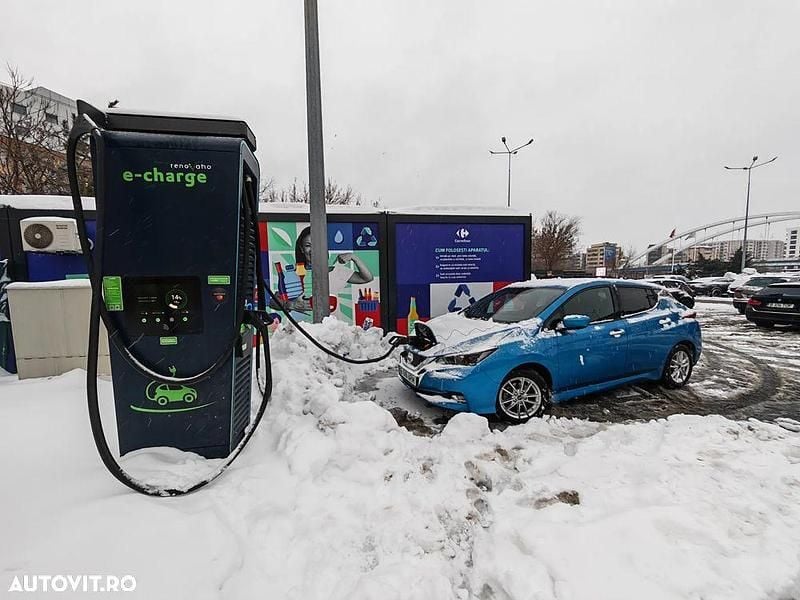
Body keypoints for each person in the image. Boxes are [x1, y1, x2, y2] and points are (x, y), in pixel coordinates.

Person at [294, 226, 373, 285]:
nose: (313, 250)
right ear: (302, 249)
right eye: (308, 245)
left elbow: (367, 278)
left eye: (317, 244)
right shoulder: (293, 274)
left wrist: (353, 257)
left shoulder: (335, 272)